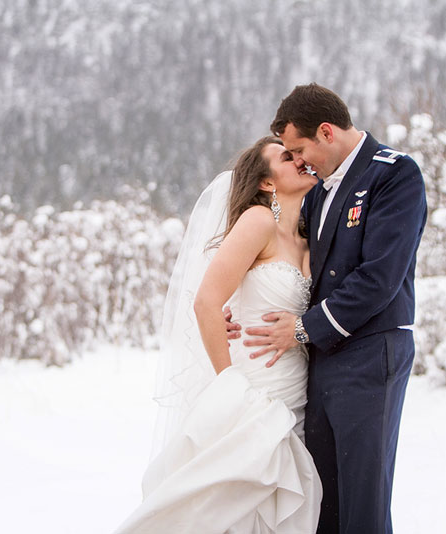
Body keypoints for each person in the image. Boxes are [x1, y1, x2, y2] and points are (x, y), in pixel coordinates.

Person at [237, 83, 427, 533]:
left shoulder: (393, 174)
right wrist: (235, 303)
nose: (299, 161)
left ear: (326, 132)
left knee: (363, 502)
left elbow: (380, 278)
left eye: (299, 149)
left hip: (369, 355)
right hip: (320, 364)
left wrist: (303, 328)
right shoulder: (319, 193)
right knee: (323, 504)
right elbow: (272, 258)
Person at [114, 136, 322, 534]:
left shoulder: (307, 239)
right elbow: (207, 302)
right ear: (266, 183)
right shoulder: (258, 221)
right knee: (231, 505)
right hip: (253, 394)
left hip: (296, 392)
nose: (300, 160)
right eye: (286, 156)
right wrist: (231, 387)